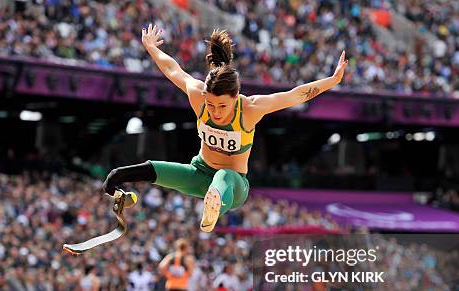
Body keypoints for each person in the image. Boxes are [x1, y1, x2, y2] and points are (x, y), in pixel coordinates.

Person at [102, 24, 347, 232]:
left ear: (236, 96)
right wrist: (153, 48)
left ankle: (213, 209)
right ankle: (116, 183)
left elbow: (295, 95)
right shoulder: (198, 95)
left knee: (223, 176)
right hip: (199, 173)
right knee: (145, 169)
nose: (216, 112)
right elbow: (172, 69)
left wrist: (332, 81)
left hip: (234, 186)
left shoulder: (250, 108)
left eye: (222, 106)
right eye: (211, 105)